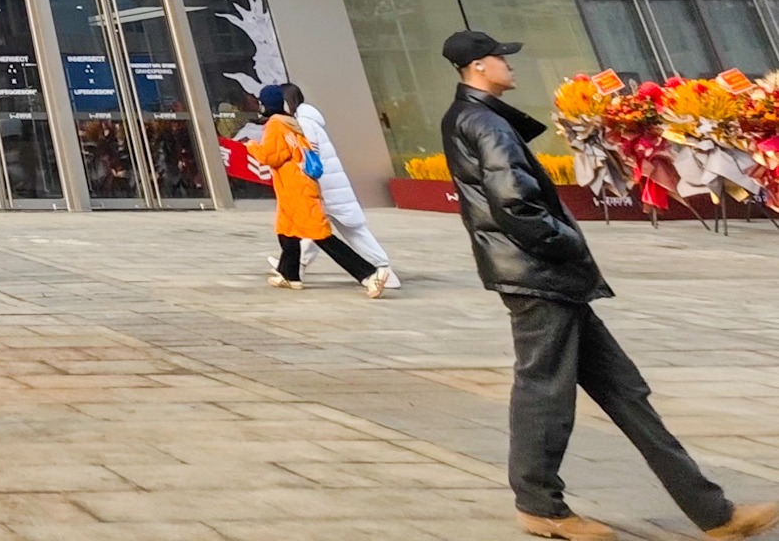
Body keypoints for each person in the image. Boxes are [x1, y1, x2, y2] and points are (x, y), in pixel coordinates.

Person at [441, 30, 776, 541]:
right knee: (544, 393)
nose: (510, 66)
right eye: (501, 59)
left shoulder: (473, 117)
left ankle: (714, 513)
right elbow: (514, 203)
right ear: (479, 67)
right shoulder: (484, 122)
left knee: (626, 394)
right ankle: (540, 506)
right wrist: (567, 244)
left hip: (549, 278)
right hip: (539, 278)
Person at [249, 84, 382, 295]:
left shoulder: (275, 125)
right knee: (286, 231)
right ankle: (289, 275)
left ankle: (368, 274)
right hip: (295, 187)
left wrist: (251, 147)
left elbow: (271, 156)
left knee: (321, 236)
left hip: (296, 188)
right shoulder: (291, 122)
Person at [284, 80, 397, 289]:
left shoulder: (304, 124)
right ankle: (293, 267)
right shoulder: (309, 120)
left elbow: (309, 155)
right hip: (330, 185)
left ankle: (382, 269)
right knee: (314, 228)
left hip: (324, 186)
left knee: (348, 229)